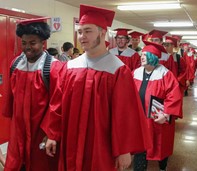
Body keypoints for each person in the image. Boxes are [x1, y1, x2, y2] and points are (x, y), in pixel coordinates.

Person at [42, 4, 149, 171]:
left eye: (88, 31)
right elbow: (57, 104)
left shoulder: (118, 70)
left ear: (102, 32)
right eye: (80, 31)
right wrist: (52, 135)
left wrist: (123, 150)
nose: (82, 36)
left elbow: (125, 114)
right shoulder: (70, 67)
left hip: (100, 143)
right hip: (71, 140)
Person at [2, 17, 62, 171]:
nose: (27, 47)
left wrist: (51, 133)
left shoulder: (53, 67)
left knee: (40, 165)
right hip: (19, 129)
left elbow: (57, 104)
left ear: (43, 42)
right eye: (24, 43)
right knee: (17, 163)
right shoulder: (16, 64)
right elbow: (11, 97)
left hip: (40, 131)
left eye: (32, 43)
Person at [132, 41, 182, 171]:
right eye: (141, 54)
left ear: (153, 57)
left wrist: (166, 114)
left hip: (158, 119)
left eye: (145, 55)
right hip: (140, 119)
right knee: (140, 149)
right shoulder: (135, 73)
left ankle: (162, 167)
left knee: (160, 147)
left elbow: (174, 96)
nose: (141, 57)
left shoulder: (165, 74)